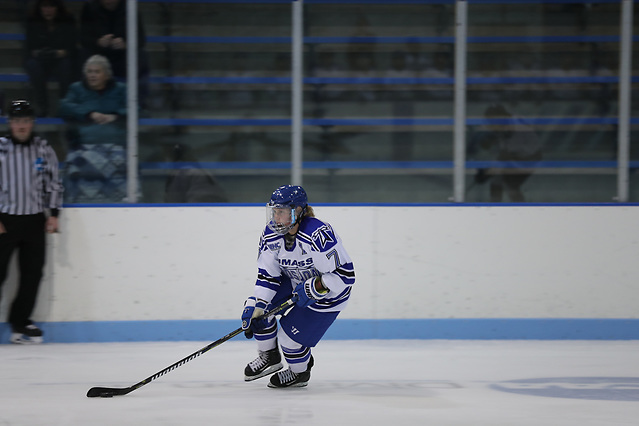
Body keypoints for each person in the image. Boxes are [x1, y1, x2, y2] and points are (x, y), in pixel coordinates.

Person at [241, 185, 355, 388]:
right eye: (274, 211)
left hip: (330, 296)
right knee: (255, 307)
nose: (276, 218)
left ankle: (299, 373)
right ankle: (270, 356)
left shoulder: (317, 233)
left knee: (289, 340)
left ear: (299, 211)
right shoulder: (270, 234)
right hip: (295, 281)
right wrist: (260, 307)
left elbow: (345, 276)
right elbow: (268, 276)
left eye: (282, 212)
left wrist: (317, 286)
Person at [0, 100, 63, 344]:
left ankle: (21, 322)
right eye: (17, 121)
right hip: (5, 220)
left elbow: (54, 183)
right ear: (10, 123)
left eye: (26, 120)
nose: (21, 125)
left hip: (36, 219)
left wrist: (54, 214)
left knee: (32, 274)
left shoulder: (43, 149)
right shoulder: (1, 148)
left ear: (32, 123)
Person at [58, 54, 128, 203]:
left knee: (124, 167)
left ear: (107, 75)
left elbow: (137, 109)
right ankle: (77, 204)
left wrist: (115, 116)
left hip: (115, 146)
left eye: (97, 72)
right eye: (89, 72)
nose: (92, 75)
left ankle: (120, 205)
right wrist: (89, 113)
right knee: (75, 168)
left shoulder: (120, 89)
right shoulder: (76, 89)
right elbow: (64, 107)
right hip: (83, 146)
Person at [78, 0, 149, 105]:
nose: (108, 1)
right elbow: (83, 37)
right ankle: (85, 102)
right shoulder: (90, 7)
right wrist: (98, 42)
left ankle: (138, 104)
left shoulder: (130, 7)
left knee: (141, 56)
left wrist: (126, 44)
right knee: (83, 54)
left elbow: (141, 40)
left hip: (122, 56)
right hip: (98, 55)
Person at [471, 104, 543, 202]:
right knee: (496, 182)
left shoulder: (516, 132)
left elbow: (504, 157)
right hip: (518, 154)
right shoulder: (507, 121)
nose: (491, 125)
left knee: (509, 184)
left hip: (529, 158)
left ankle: (520, 208)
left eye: (492, 123)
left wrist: (486, 173)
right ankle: (495, 206)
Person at [23, 0, 78, 117]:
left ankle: (65, 106)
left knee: (66, 66)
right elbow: (29, 47)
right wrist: (39, 53)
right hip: (40, 60)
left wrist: (60, 53)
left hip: (61, 59)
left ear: (58, 7)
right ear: (40, 7)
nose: (48, 10)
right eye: (45, 6)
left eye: (51, 6)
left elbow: (71, 46)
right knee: (33, 67)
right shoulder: (32, 20)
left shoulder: (67, 19)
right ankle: (42, 107)